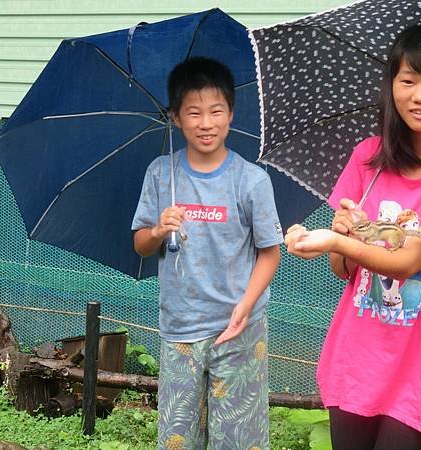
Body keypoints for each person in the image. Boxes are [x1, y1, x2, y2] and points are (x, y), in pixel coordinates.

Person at [284, 23, 421, 450]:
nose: (420, 96)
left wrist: (337, 241)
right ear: (392, 86)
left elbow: (411, 258)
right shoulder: (368, 158)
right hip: (359, 355)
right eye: (408, 81)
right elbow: (342, 269)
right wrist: (344, 234)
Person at [132, 56, 283, 450]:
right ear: (176, 118)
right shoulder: (160, 173)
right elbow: (141, 244)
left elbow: (270, 253)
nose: (206, 123)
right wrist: (158, 229)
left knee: (238, 436)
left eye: (216, 111)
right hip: (180, 325)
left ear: (230, 114)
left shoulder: (252, 180)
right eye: (194, 112)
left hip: (240, 328)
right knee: (179, 437)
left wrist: (246, 306)